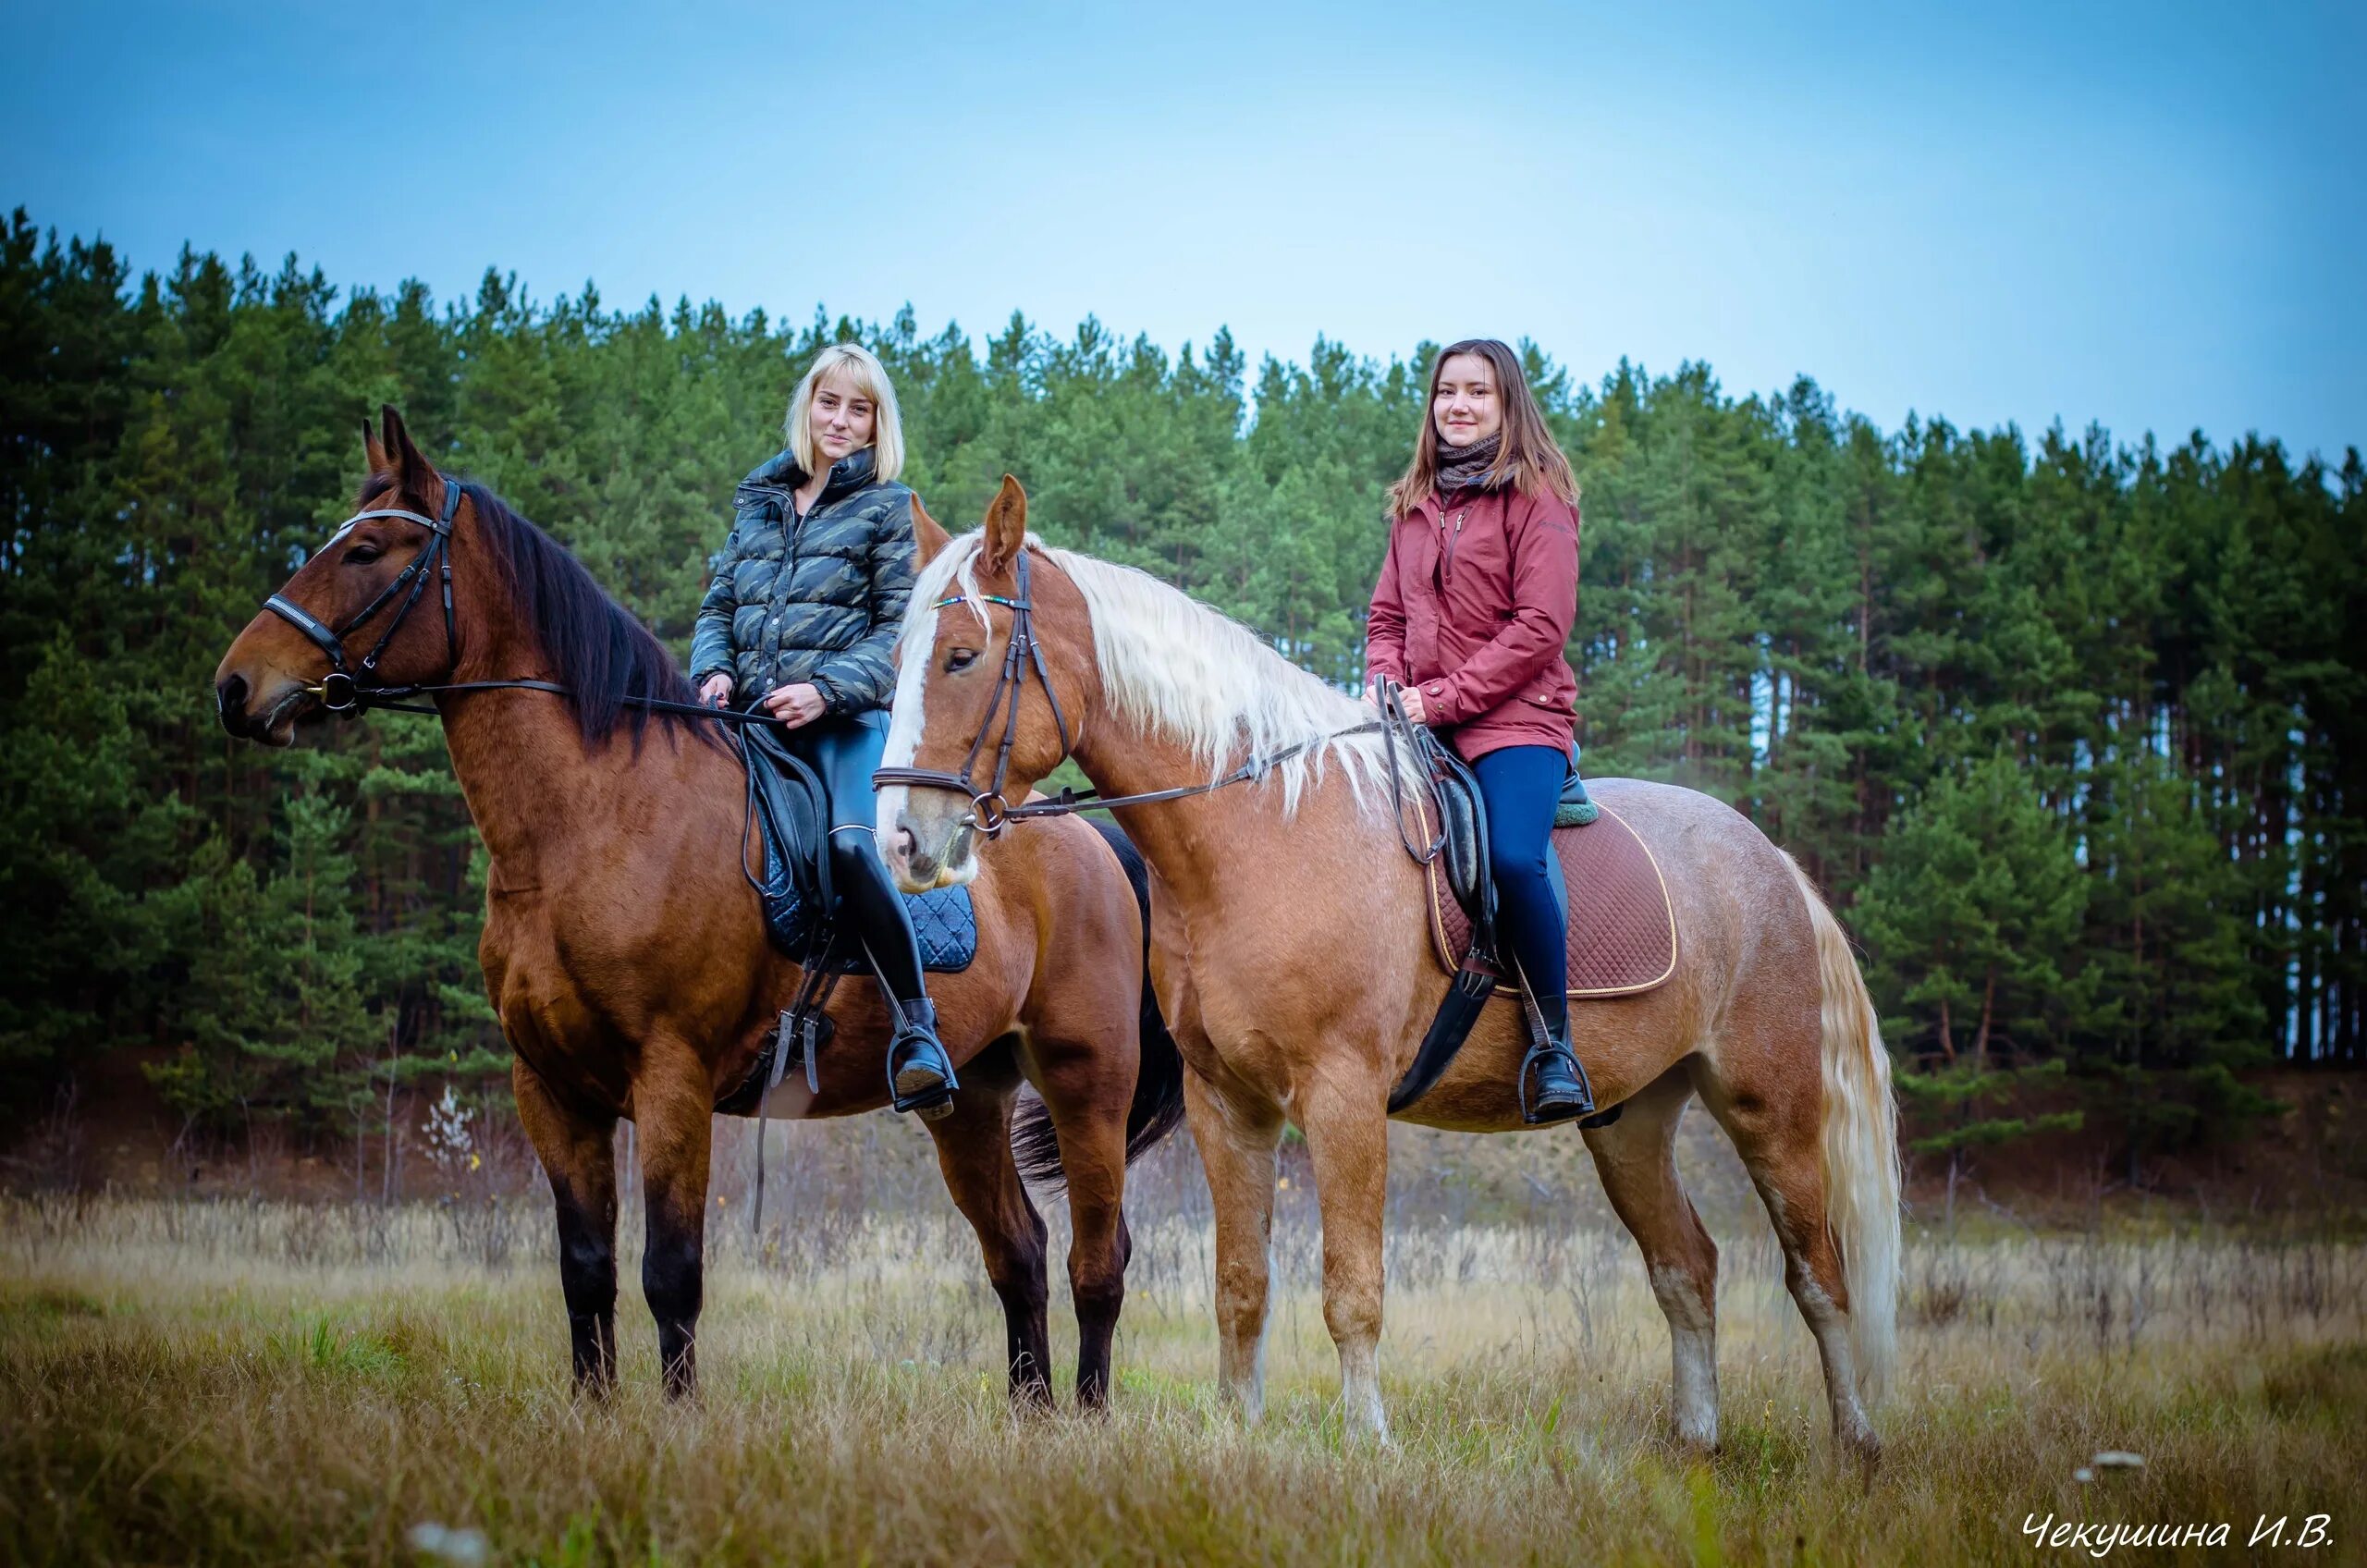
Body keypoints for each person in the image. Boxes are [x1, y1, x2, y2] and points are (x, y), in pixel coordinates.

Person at [691, 343, 957, 1116]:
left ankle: (917, 1029)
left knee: (847, 845)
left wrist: (824, 690)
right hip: (746, 719)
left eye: (859, 408)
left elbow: (897, 632)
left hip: (842, 722)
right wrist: (714, 670)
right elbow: (718, 609)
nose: (841, 420)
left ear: (877, 424)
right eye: (829, 403)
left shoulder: (886, 507)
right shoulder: (759, 499)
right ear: (807, 407)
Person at [1364, 338, 1593, 1123]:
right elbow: (1387, 615)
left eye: (1478, 393)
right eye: (1446, 392)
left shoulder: (1540, 498)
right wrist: (1387, 681)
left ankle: (1554, 1043)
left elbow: (1541, 628)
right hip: (1421, 716)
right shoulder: (1416, 504)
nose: (1458, 405)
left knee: (1511, 857)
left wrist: (1442, 699)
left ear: (1508, 404)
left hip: (1517, 719)